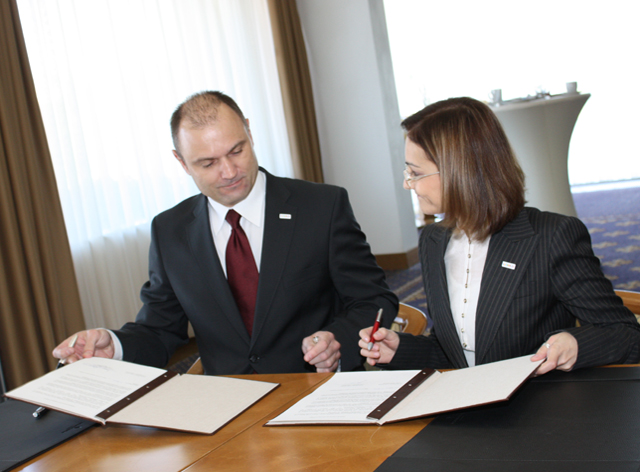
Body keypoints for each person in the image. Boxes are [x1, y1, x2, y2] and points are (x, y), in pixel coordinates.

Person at [54, 91, 398, 374]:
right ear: (181, 162)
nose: (230, 171)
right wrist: (113, 346)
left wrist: (336, 340)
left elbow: (374, 299)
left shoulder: (321, 206)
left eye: (237, 150)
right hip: (228, 410)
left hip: (317, 392)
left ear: (249, 132)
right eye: (208, 163)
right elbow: (160, 330)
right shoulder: (170, 230)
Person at [359, 96, 640, 375]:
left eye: (415, 172)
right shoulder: (434, 241)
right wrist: (401, 350)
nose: (407, 183)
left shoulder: (551, 237)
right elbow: (456, 353)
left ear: (461, 171)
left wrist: (575, 343)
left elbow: (626, 335)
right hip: (466, 406)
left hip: (537, 405)